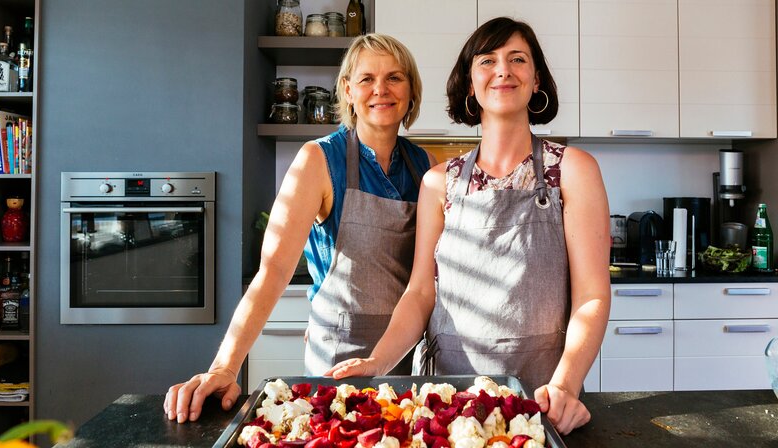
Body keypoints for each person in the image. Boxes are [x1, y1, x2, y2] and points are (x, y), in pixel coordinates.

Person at [326, 17, 611, 435]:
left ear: (536, 81)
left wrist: (565, 385)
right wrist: (377, 362)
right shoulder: (439, 183)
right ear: (469, 83)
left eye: (518, 59)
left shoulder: (571, 170)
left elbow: (592, 295)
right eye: (488, 60)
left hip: (542, 398)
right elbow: (421, 292)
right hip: (449, 403)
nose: (503, 70)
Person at [164, 34, 435, 424]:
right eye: (366, 79)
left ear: (411, 89)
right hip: (338, 365)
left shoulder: (424, 164)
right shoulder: (319, 160)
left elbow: (430, 278)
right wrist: (225, 367)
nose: (381, 89)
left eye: (395, 77)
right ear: (347, 89)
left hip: (407, 359)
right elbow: (273, 270)